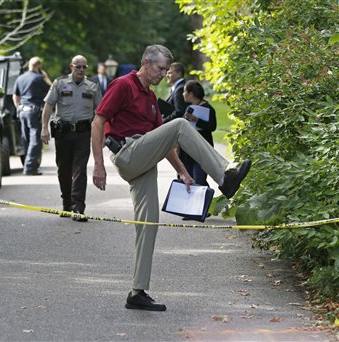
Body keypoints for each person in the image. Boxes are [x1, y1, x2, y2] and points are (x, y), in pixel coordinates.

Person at [91, 45, 251, 311]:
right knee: (179, 124)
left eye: (167, 70)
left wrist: (183, 172)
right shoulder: (123, 85)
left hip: (144, 157)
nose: (164, 74)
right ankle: (224, 176)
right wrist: (98, 165)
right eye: (160, 68)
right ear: (145, 62)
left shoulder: (152, 98)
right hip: (128, 153)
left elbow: (163, 142)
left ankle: (137, 292)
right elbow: (98, 122)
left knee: (148, 223)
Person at [41, 55, 102, 222]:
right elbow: (49, 105)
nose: (81, 70)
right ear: (71, 67)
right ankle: (66, 204)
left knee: (80, 171)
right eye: (78, 67)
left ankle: (78, 208)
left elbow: (100, 113)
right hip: (63, 133)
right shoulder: (59, 84)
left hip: (83, 133)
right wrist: (44, 128)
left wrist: (102, 135)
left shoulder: (92, 86)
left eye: (84, 67)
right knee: (64, 170)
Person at [13, 56, 52, 175]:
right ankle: (29, 168)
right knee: (35, 140)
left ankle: (29, 165)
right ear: (39, 66)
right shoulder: (39, 78)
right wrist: (45, 76)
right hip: (33, 112)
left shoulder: (20, 78)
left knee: (26, 139)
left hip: (22, 111)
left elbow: (15, 96)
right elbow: (52, 89)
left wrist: (18, 108)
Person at [180, 80, 217, 186]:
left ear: (191, 94)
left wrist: (197, 120)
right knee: (188, 180)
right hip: (187, 152)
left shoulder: (208, 108)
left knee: (199, 179)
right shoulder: (189, 108)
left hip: (202, 150)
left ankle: (205, 201)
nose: (183, 94)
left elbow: (212, 127)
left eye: (184, 92)